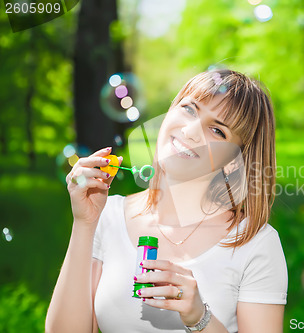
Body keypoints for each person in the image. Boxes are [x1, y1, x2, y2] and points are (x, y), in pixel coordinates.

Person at [46, 69, 288, 333]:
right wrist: (85, 224)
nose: (191, 131)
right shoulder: (108, 214)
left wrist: (199, 317)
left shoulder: (255, 244)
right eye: (190, 109)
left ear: (233, 162)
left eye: (217, 130)